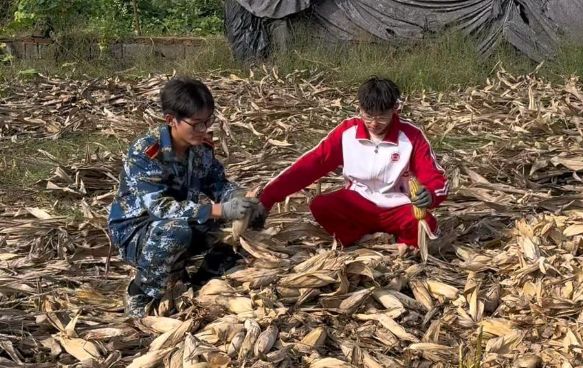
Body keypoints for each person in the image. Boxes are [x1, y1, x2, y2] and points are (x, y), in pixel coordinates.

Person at [108, 76, 261, 317]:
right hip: (138, 231)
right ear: (171, 120)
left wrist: (239, 197)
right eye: (196, 124)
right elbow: (159, 208)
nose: (203, 130)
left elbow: (217, 183)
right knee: (175, 231)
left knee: (246, 218)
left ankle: (205, 280)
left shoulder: (200, 148)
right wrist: (219, 210)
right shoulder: (146, 152)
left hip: (183, 221)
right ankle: (140, 292)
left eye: (207, 121)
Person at [254, 76, 448, 248]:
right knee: (320, 206)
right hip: (358, 204)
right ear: (360, 108)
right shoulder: (347, 132)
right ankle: (359, 239)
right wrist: (268, 198)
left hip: (396, 207)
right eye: (368, 115)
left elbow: (434, 178)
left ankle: (403, 246)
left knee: (425, 225)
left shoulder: (412, 137)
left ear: (395, 109)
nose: (374, 123)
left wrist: (430, 195)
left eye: (382, 116)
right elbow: (311, 165)